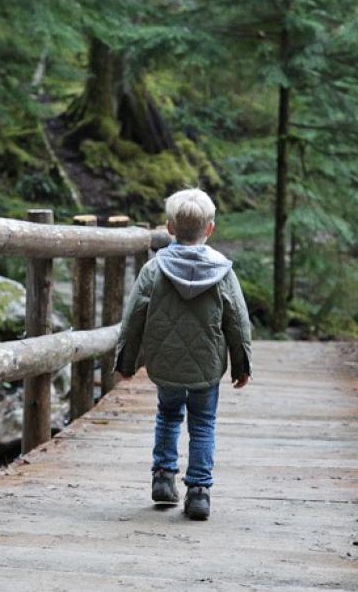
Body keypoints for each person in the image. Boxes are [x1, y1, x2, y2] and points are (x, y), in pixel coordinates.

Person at [115, 188, 253, 520]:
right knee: (203, 424)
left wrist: (126, 361)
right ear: (210, 229)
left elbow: (133, 316)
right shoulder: (223, 272)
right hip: (208, 364)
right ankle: (199, 493)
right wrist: (241, 363)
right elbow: (238, 319)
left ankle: (163, 477)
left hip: (166, 362)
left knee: (168, 415)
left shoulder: (153, 269)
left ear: (170, 228)